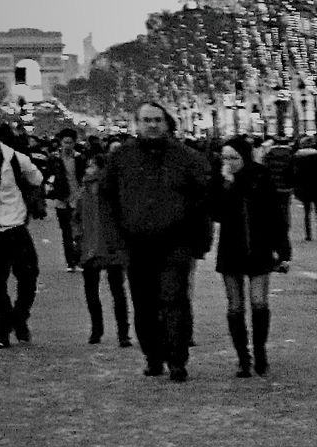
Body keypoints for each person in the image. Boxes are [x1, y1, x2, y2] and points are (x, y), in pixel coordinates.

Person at [100, 101, 211, 382]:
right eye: (147, 120)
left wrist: (200, 241)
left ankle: (177, 358)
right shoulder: (121, 158)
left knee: (174, 299)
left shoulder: (187, 158)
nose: (152, 125)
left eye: (157, 120)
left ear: (166, 122)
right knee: (144, 303)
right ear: (137, 123)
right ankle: (153, 355)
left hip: (177, 242)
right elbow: (107, 199)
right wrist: (115, 239)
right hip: (136, 244)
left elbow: (203, 202)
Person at [211, 135, 291, 376]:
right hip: (231, 249)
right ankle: (242, 357)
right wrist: (226, 184)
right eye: (225, 157)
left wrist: (283, 250)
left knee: (259, 303)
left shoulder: (260, 175)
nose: (229, 162)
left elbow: (276, 215)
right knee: (235, 306)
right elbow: (215, 212)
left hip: (259, 248)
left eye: (233, 158)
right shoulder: (221, 179)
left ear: (244, 157)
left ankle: (260, 352)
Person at [0, 117, 43, 349]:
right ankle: (1, 332)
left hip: (15, 226)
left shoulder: (17, 159)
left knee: (29, 276)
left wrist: (33, 202)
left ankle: (19, 316)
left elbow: (37, 179)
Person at [76, 141, 131, 346]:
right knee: (108, 292)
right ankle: (108, 331)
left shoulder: (110, 190)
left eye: (91, 165)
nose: (88, 168)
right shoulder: (85, 192)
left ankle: (113, 332)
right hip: (96, 246)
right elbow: (77, 217)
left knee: (112, 291)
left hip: (107, 245)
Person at [47, 127, 85, 272]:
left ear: (74, 143)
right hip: (61, 200)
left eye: (70, 142)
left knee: (79, 232)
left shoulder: (80, 158)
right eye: (65, 142)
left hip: (78, 198)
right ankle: (70, 262)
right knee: (66, 232)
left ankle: (78, 259)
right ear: (61, 142)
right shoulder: (54, 159)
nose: (67, 145)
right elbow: (49, 176)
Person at [291, 136, 317, 243]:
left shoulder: (297, 156)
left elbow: (295, 172)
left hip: (304, 186)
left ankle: (308, 234)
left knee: (307, 211)